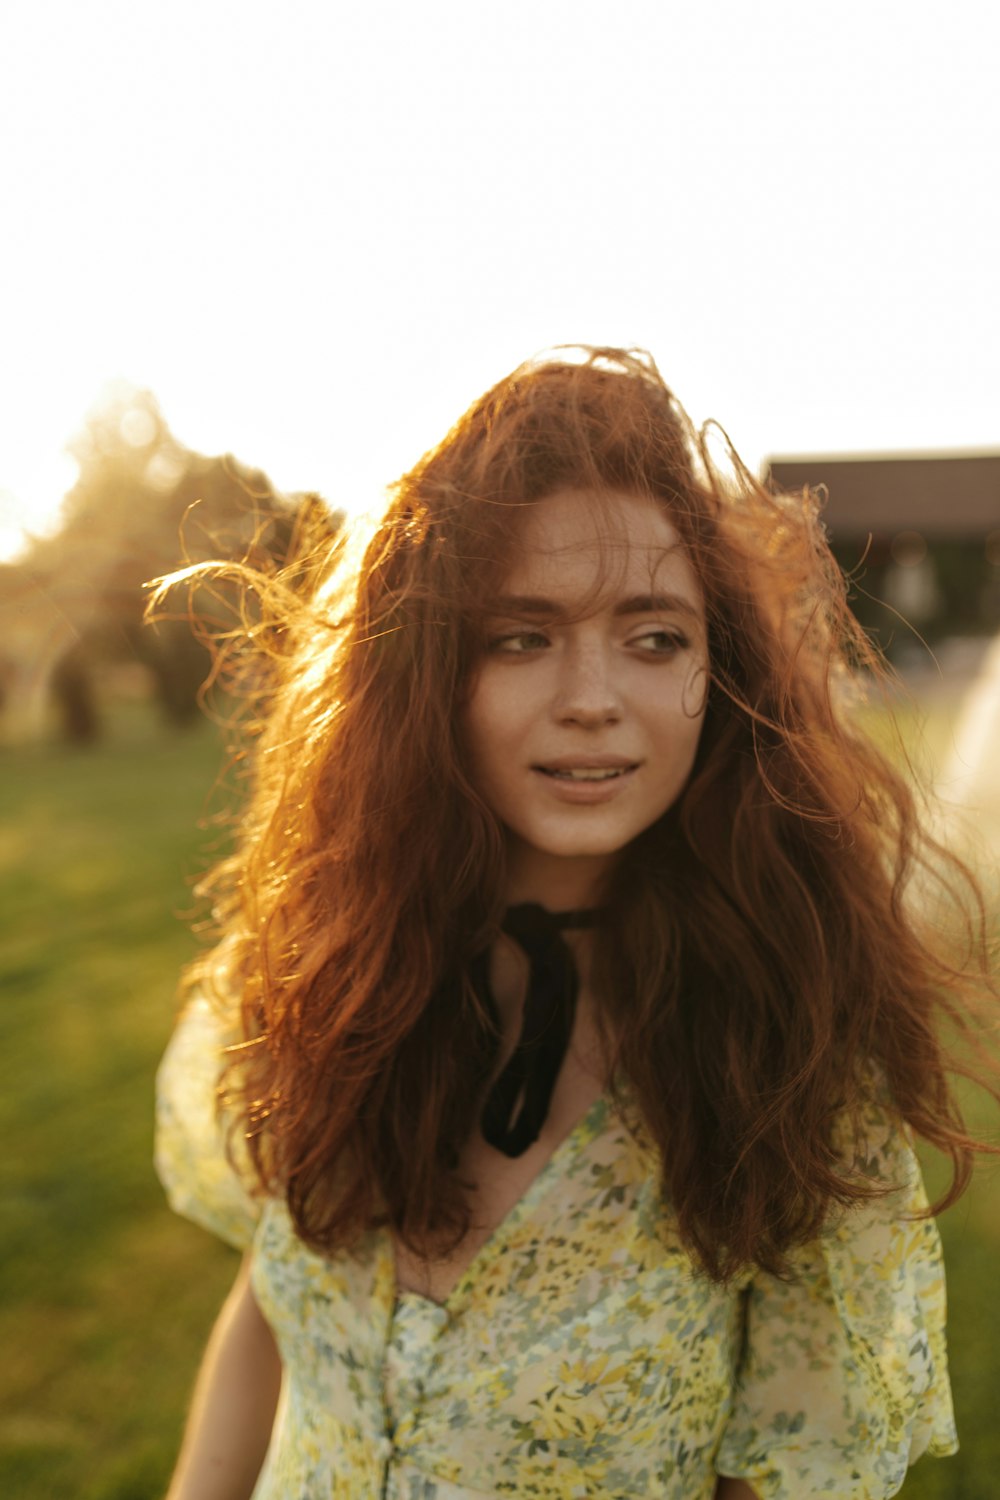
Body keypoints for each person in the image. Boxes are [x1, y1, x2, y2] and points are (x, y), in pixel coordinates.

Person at [154, 347, 996, 1499]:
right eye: (521, 636)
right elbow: (266, 1302)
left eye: (654, 639)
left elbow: (778, 1472)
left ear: (722, 672)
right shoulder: (311, 971)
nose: (593, 696)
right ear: (427, 674)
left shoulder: (790, 1059)